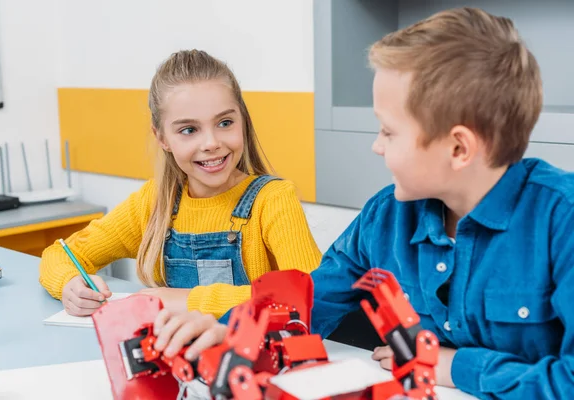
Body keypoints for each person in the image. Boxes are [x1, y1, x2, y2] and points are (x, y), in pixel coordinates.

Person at [147, 7, 574, 399]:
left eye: (389, 132)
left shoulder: (562, 221)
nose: (376, 145)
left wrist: (453, 366)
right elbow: (310, 302)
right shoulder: (386, 216)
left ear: (458, 148)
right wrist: (230, 331)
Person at [38, 49, 322, 320]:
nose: (211, 143)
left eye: (225, 123)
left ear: (243, 122)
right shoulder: (154, 202)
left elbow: (311, 296)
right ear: (162, 137)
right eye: (189, 130)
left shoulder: (272, 200)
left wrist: (188, 301)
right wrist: (70, 284)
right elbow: (59, 255)